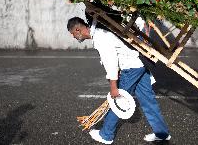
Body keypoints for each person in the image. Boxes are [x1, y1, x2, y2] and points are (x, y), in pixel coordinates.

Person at [67, 15, 170, 144]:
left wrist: (113, 87)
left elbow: (111, 62)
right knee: (147, 99)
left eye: (72, 33)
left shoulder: (100, 37)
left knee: (118, 101)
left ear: (78, 30)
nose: (73, 37)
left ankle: (106, 135)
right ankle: (162, 133)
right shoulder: (99, 30)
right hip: (139, 64)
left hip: (131, 67)